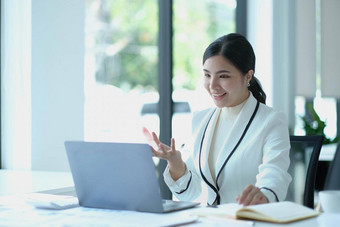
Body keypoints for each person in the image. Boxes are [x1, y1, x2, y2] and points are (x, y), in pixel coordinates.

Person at [143, 33, 291, 206]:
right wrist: (176, 163)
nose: (212, 85)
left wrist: (263, 195)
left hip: (248, 220)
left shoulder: (271, 121)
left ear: (248, 76)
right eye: (207, 75)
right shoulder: (201, 119)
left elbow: (275, 174)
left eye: (223, 76)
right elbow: (191, 193)